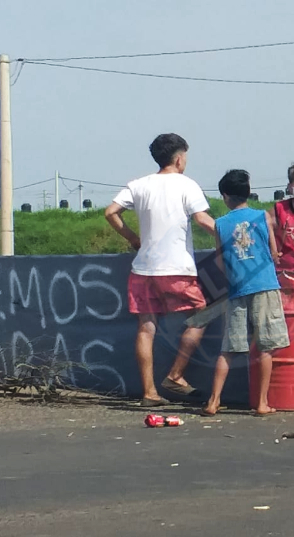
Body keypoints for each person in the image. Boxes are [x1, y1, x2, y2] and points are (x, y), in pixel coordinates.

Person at [104, 133, 216, 407]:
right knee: (202, 314)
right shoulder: (187, 185)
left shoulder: (138, 185)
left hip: (143, 268)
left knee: (146, 327)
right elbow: (202, 219)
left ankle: (149, 392)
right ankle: (176, 375)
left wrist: (132, 238)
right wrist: (234, 237)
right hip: (176, 268)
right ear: (179, 159)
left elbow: (110, 212)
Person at [202, 170, 290, 417]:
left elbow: (220, 262)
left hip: (237, 289)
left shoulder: (220, 224)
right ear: (248, 192)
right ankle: (262, 403)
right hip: (264, 286)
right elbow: (273, 252)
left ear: (225, 196)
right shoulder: (263, 216)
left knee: (228, 349)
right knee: (265, 347)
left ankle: (213, 401)